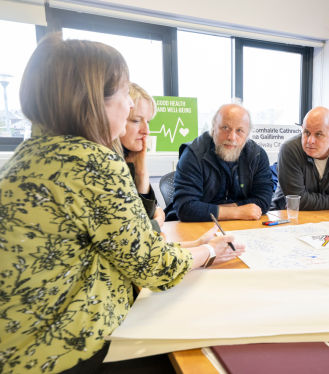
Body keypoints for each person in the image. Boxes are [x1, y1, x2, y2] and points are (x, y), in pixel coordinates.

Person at [0, 35, 245, 374]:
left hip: (19, 349)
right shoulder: (92, 162)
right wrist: (211, 251)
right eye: (123, 95)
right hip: (67, 354)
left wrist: (196, 244)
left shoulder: (27, 156)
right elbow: (153, 268)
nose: (130, 108)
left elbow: (114, 247)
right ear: (91, 101)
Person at [165, 100, 274, 222]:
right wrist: (237, 211)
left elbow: (263, 201)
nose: (232, 137)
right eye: (225, 128)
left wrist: (209, 210)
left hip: (240, 227)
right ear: (213, 128)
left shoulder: (257, 155)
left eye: (239, 130)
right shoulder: (193, 154)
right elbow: (185, 208)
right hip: (196, 227)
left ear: (247, 135)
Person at [271, 107, 329, 211]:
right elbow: (297, 201)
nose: (310, 140)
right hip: (288, 216)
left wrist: (312, 201)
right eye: (306, 132)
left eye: (318, 134)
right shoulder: (290, 150)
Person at [115, 82, 164, 232]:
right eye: (136, 121)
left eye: (148, 121)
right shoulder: (110, 162)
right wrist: (157, 222)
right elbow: (137, 232)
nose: (146, 131)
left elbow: (145, 217)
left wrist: (141, 173)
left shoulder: (130, 156)